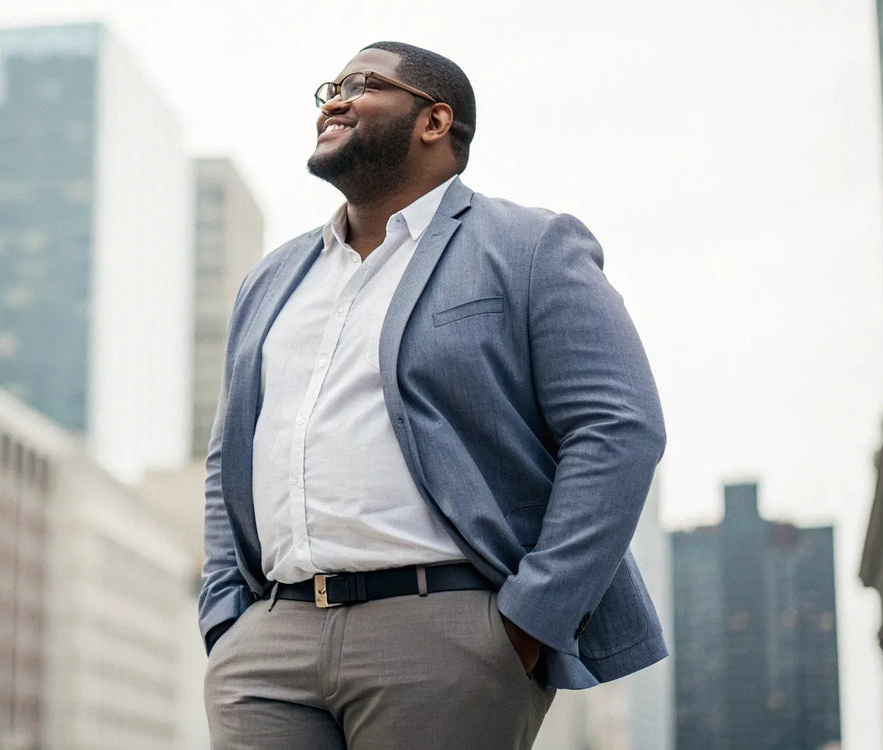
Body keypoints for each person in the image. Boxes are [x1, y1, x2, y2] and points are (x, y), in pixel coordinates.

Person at [199, 41, 667, 749]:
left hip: (446, 632)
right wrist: (226, 617)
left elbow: (619, 429)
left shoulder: (528, 246)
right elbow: (227, 456)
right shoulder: (272, 278)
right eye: (330, 86)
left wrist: (526, 622)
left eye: (362, 84)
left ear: (434, 120)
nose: (334, 98)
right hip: (271, 642)